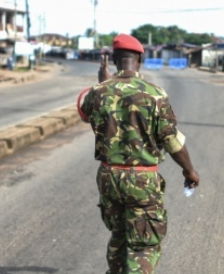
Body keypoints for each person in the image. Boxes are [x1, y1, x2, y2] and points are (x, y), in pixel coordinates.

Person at [80, 34, 200, 274]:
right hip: (141, 180)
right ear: (141, 59)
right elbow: (170, 139)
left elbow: (86, 114)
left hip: (108, 177)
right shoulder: (155, 94)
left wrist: (103, 83)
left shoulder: (99, 91)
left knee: (119, 234)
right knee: (143, 244)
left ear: (114, 61)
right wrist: (189, 170)